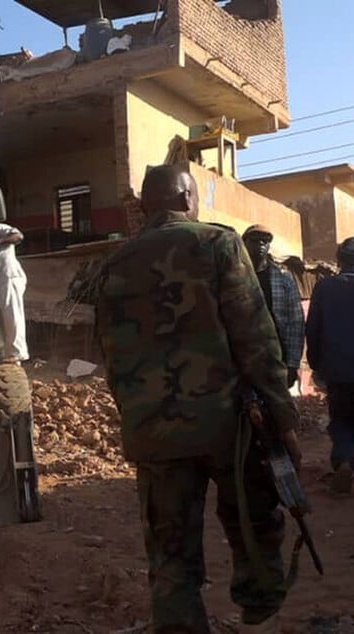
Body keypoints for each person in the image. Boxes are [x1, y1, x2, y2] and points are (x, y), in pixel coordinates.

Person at [95, 164, 301, 632]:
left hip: (155, 434)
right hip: (228, 427)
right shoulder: (218, 244)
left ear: (146, 206)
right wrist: (283, 419)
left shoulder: (113, 265)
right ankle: (258, 600)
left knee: (171, 555)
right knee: (251, 520)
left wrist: (137, 418)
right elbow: (255, 337)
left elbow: (111, 357)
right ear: (188, 198)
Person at [306, 236, 354, 495]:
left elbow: (312, 328)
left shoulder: (325, 288)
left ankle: (344, 461)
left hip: (338, 369)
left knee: (342, 419)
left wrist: (316, 362)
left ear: (339, 260)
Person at [242, 225, 305, 388]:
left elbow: (295, 322)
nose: (261, 244)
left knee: (278, 409)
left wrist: (292, 364)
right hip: (241, 356)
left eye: (265, 241)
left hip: (276, 355)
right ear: (244, 243)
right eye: (255, 240)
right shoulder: (233, 275)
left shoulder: (284, 278)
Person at [0, 222, 28, 363]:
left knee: (12, 314)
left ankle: (17, 353)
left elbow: (18, 236)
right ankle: (3, 354)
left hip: (8, 276)